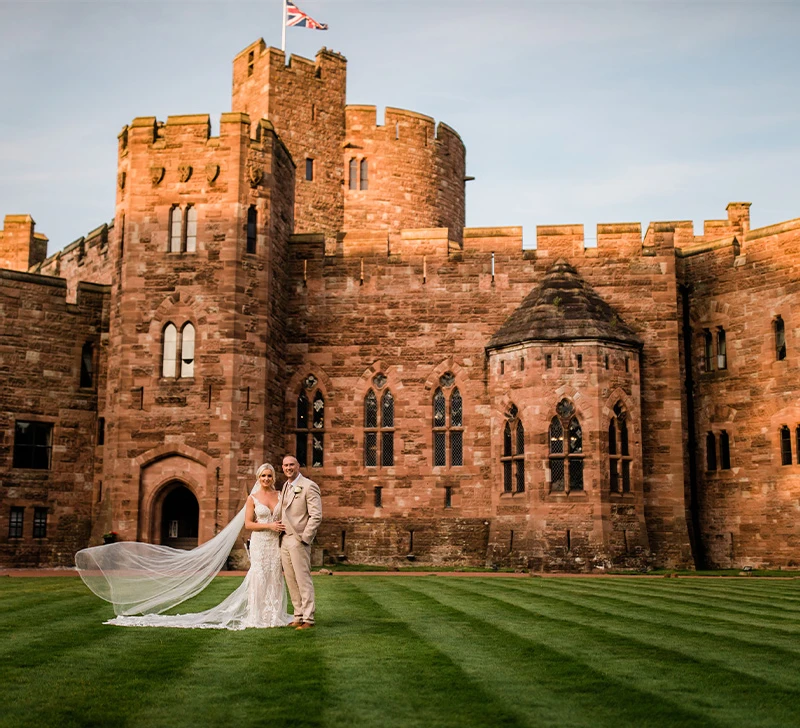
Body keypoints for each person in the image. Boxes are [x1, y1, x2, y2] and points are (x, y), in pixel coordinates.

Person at [75, 463, 294, 629]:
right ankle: (257, 615)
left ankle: (274, 614)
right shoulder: (252, 498)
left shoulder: (279, 495)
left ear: (274, 478)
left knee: (275, 575)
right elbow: (248, 524)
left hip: (275, 543)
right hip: (261, 542)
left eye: (269, 476)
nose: (266, 478)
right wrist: (269, 526)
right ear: (258, 478)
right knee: (259, 575)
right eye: (263, 476)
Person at [277, 455, 323, 629]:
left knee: (303, 580)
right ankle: (298, 615)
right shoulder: (285, 486)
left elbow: (316, 515)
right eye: (285, 465)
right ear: (282, 467)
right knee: (290, 579)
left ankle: (309, 618)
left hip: (298, 540)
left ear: (298, 466)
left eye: (291, 465)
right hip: (284, 540)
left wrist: (305, 538)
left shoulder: (309, 486)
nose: (288, 468)